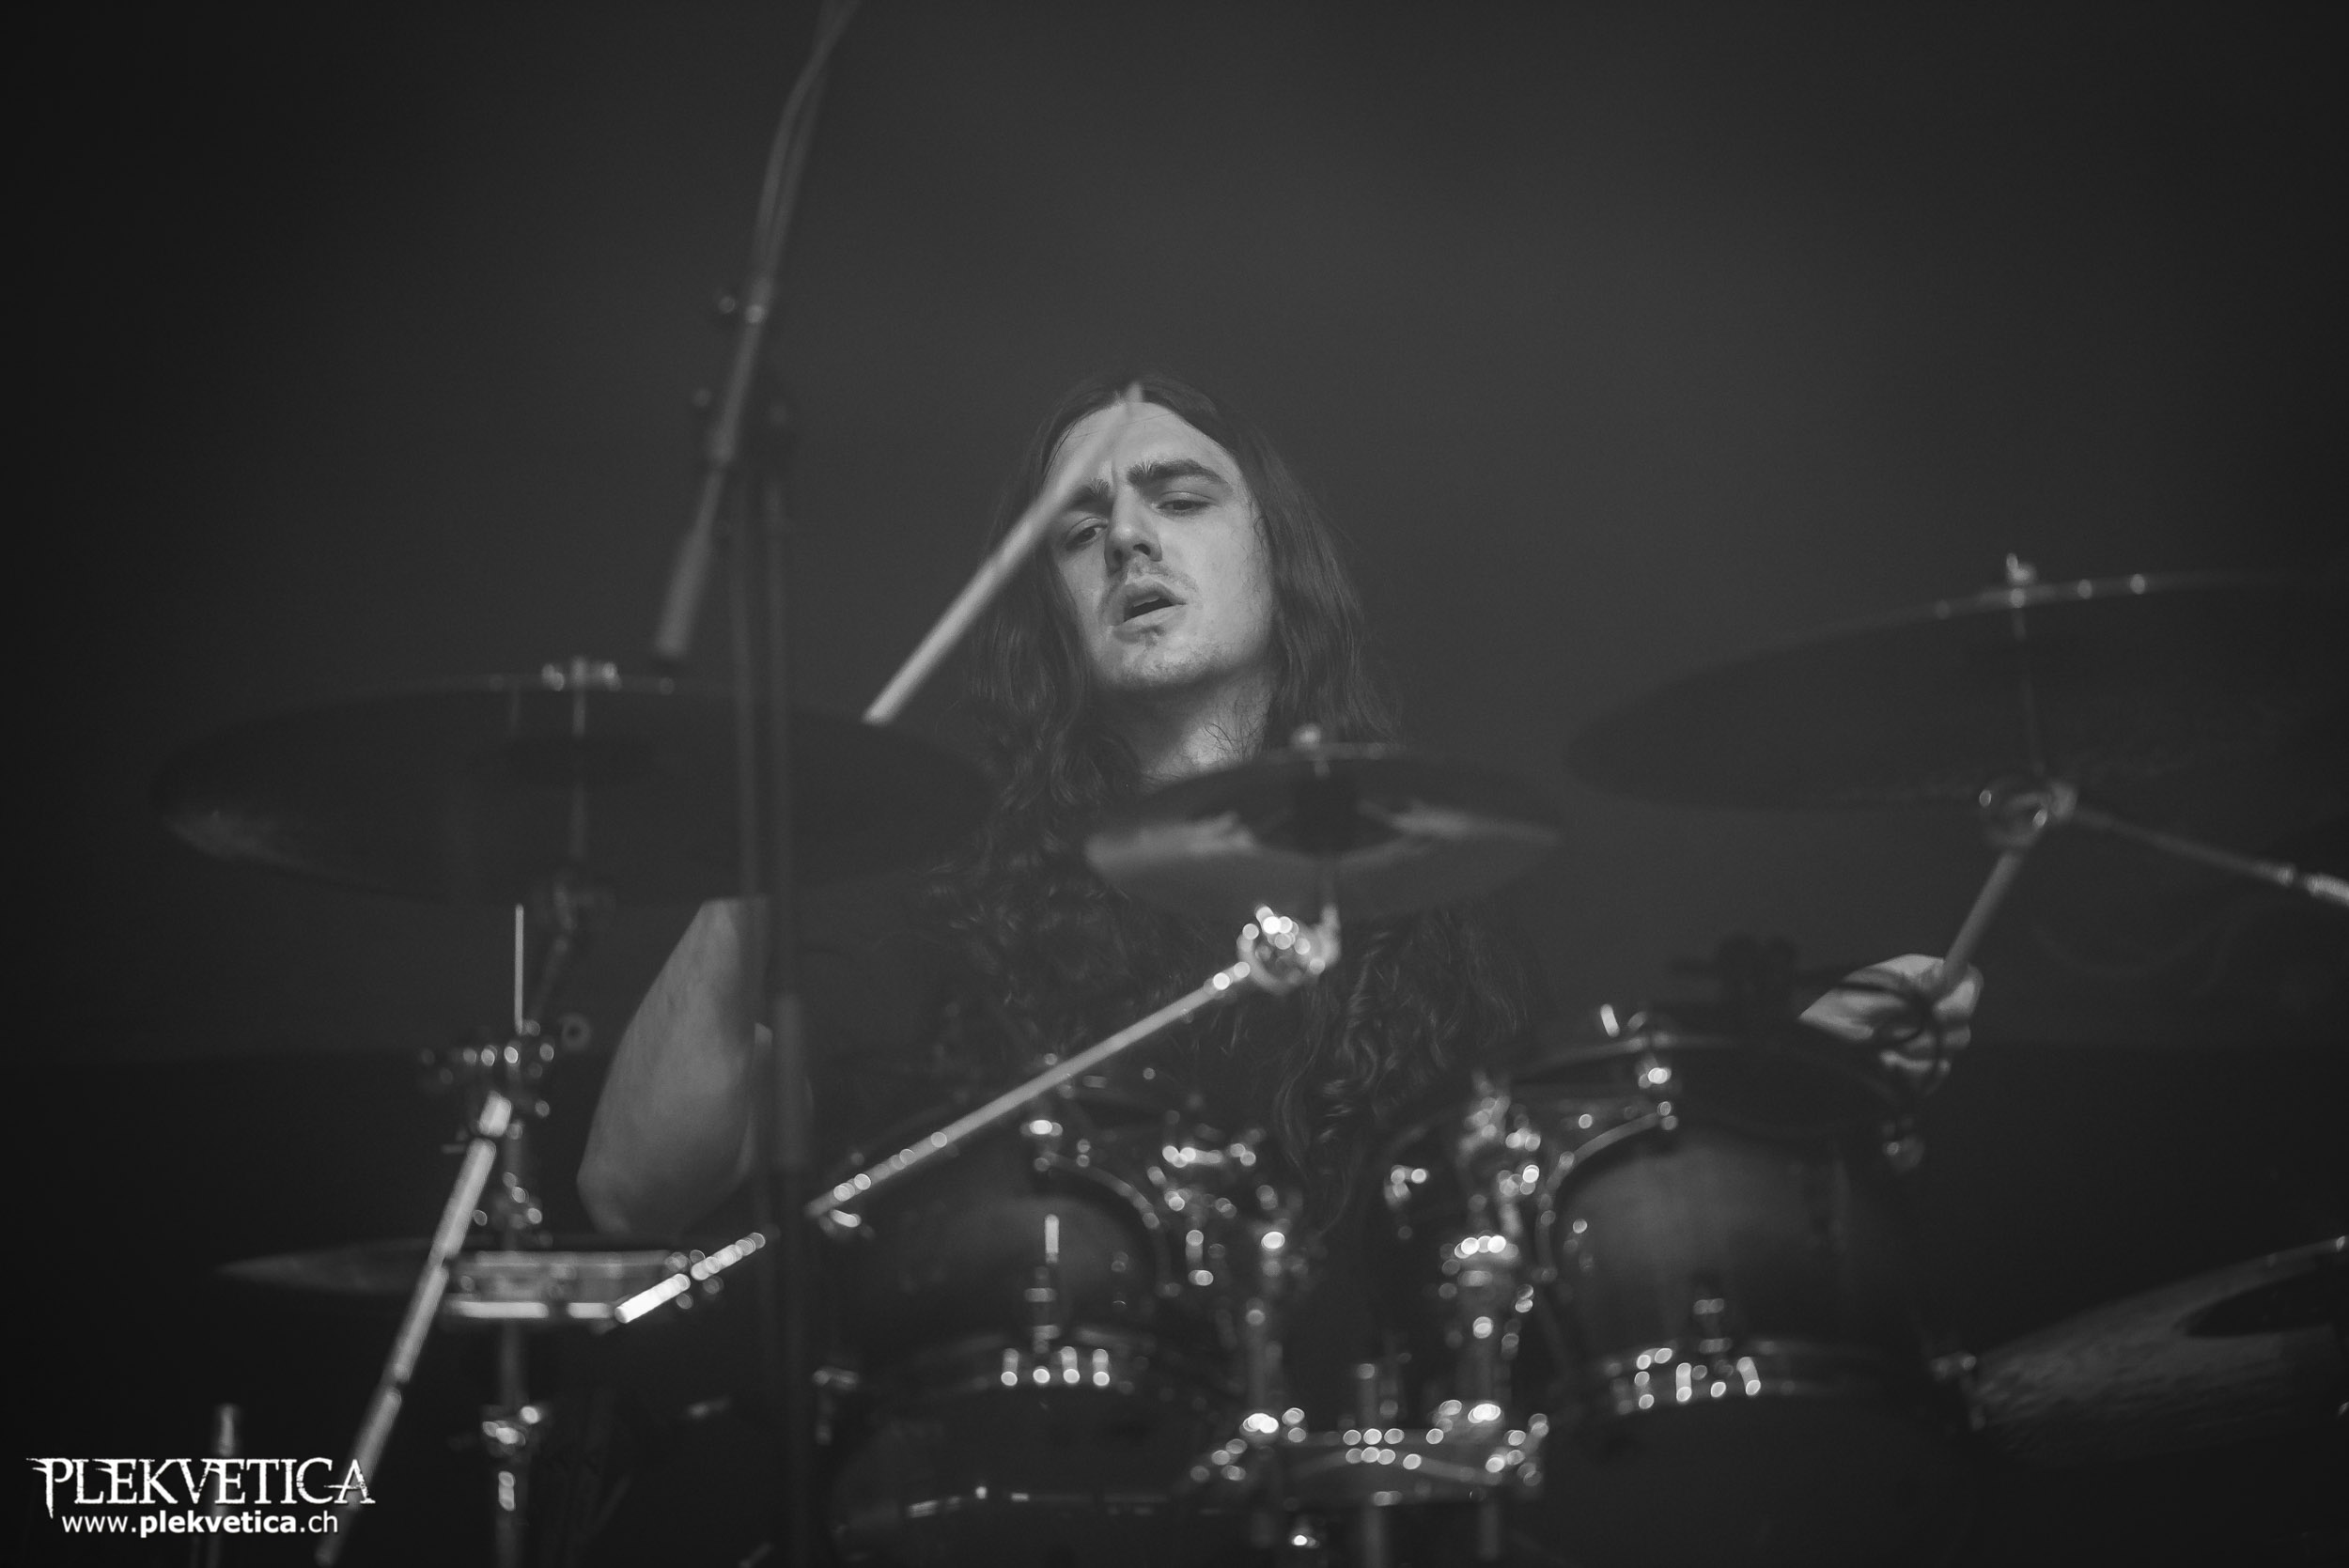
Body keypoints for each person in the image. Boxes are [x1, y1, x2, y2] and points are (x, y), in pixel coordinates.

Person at [577, 367, 1980, 1332]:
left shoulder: (1448, 885)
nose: (1128, 538)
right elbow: (632, 1186)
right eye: (1078, 531)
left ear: (1275, 550)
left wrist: (1791, 1066)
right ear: (1047, 610)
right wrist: (758, 854)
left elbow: (1590, 1179)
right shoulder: (945, 905)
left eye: (1179, 497)